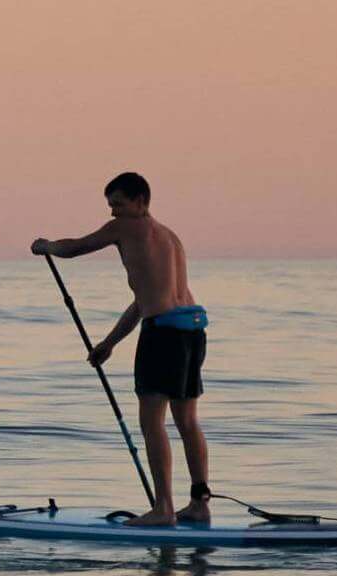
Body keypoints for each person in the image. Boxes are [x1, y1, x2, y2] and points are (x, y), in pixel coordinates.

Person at [31, 173, 211, 527]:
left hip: (163, 336)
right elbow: (145, 302)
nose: (114, 213)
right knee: (188, 422)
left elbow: (76, 247)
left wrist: (47, 245)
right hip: (192, 329)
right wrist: (109, 343)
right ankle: (199, 505)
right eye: (111, 206)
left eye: (120, 204)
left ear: (141, 201)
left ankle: (163, 510)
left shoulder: (128, 229)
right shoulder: (171, 238)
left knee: (152, 422)